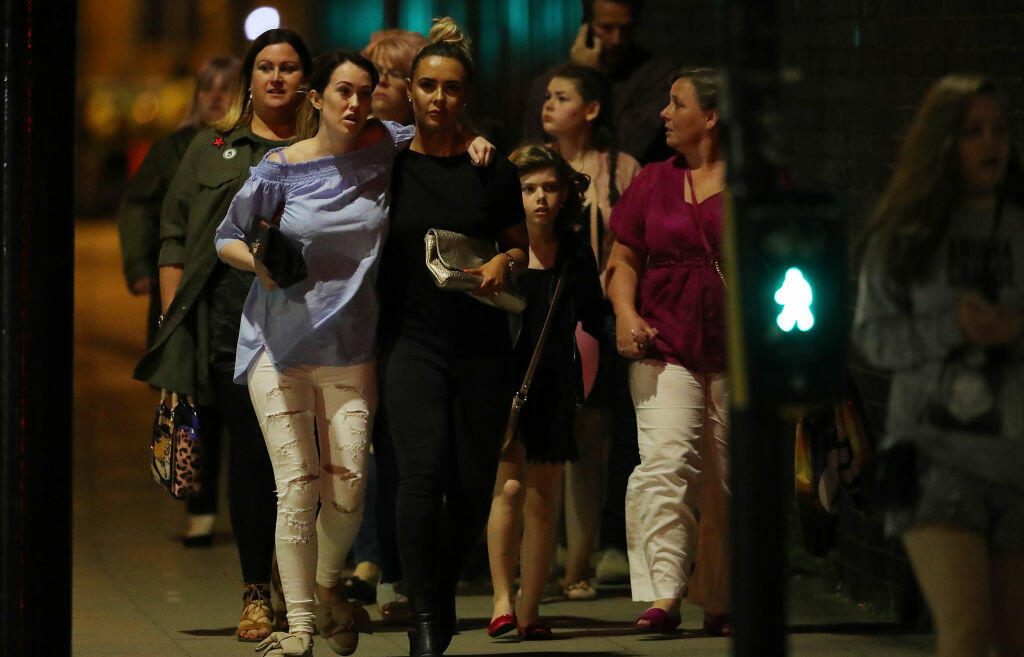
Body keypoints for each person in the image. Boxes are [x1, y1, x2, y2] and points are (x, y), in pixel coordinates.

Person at [214, 49, 412, 657]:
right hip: (277, 345)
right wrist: (262, 269)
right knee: (297, 484)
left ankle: (329, 586)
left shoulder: (387, 149)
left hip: (352, 349)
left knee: (349, 491)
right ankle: (297, 627)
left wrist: (480, 145)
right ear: (317, 98)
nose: (355, 103)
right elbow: (226, 238)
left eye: (364, 92)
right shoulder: (279, 168)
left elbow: (442, 134)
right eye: (342, 92)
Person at [133, 28, 312, 643]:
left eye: (289, 68)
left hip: (316, 324)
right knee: (257, 457)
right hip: (231, 326)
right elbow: (175, 230)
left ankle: (307, 586)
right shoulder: (213, 149)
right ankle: (258, 593)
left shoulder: (332, 146)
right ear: (250, 80)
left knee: (308, 461)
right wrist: (169, 313)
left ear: (306, 81)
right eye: (266, 67)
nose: (277, 78)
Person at [853, 73, 1024, 657]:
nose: (989, 143)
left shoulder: (1019, 225)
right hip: (935, 459)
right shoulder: (907, 233)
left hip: (1015, 453)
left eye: (998, 129)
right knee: (967, 635)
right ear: (942, 142)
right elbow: (873, 339)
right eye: (972, 131)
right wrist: (954, 326)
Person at [376, 17, 529, 657]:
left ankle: (435, 590)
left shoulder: (491, 168)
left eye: (452, 88)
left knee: (471, 485)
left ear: (468, 94)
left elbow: (520, 245)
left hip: (480, 342)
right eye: (429, 86)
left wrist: (504, 262)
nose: (440, 98)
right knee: (419, 474)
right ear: (411, 91)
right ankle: (428, 618)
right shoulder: (386, 164)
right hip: (409, 340)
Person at [606, 67, 730, 635]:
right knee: (664, 465)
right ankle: (664, 595)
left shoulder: (757, 183)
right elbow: (624, 256)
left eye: (676, 103)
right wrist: (626, 314)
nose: (663, 113)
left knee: (727, 478)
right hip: (666, 339)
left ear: (711, 116)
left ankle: (722, 595)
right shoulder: (654, 179)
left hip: (737, 350)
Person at [118, 55, 240, 546]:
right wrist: (139, 268)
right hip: (183, 290)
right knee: (192, 402)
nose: (214, 97)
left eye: (225, 87)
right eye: (207, 87)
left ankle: (240, 502)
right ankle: (201, 503)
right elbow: (142, 207)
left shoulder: (249, 146)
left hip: (235, 289)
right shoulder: (173, 149)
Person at [485, 145, 604, 640]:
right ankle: (501, 599)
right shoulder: (497, 247)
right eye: (529, 188)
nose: (540, 198)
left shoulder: (574, 247)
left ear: (563, 194)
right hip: (504, 378)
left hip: (553, 379)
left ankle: (531, 608)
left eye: (550, 187)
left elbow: (593, 314)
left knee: (543, 497)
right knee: (508, 488)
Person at [541, 63, 641, 598]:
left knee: (592, 438)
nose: (549, 105)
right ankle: (540, 554)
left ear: (592, 108)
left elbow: (636, 239)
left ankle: (579, 560)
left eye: (562, 97)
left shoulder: (620, 168)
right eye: (548, 97)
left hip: (595, 312)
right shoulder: (533, 164)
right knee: (541, 435)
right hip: (541, 311)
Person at [347, 27, 429, 617]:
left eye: (394, 76)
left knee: (397, 444)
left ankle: (390, 568)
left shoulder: (423, 154)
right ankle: (364, 559)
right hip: (348, 313)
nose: (379, 87)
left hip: (404, 310)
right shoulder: (344, 145)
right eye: (373, 74)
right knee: (354, 440)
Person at [521, 0, 676, 165]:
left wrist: (591, 78)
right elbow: (532, 155)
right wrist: (582, 76)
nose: (617, 39)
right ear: (586, 27)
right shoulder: (547, 84)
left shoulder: (656, 75)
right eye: (606, 28)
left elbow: (629, 146)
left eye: (625, 29)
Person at [363, 29, 427, 125]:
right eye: (377, 70)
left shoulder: (426, 138)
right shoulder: (349, 133)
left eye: (394, 74)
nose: (381, 80)